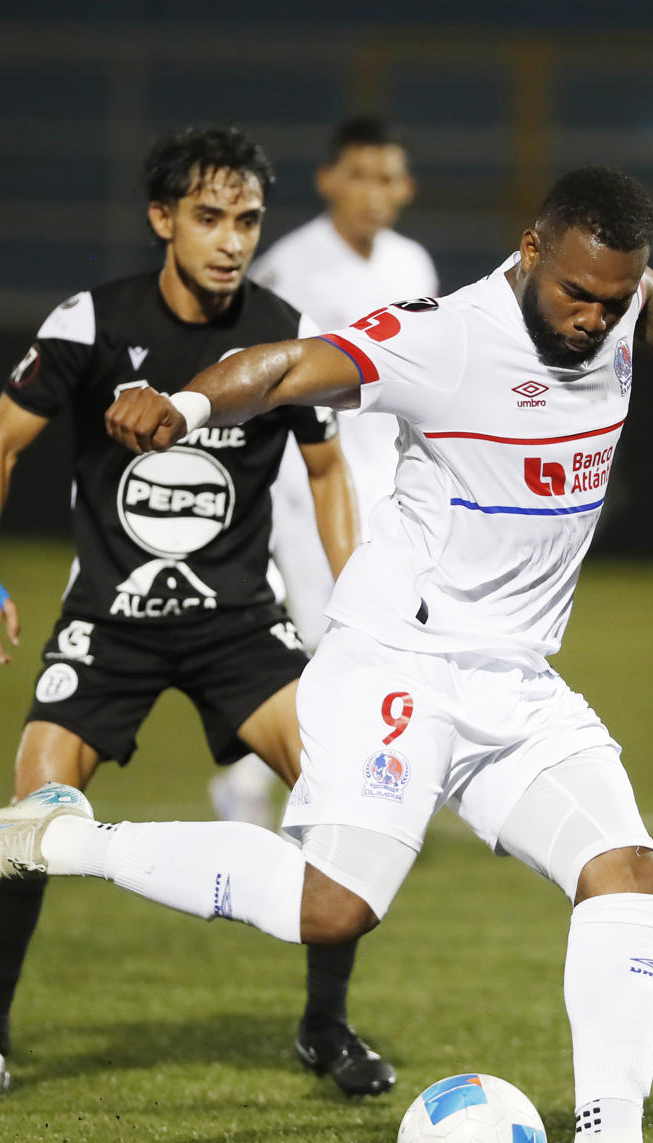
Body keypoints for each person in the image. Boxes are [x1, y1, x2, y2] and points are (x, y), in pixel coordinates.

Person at [0, 166, 653, 1143]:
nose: (595, 319)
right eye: (577, 295)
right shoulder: (447, 337)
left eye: (613, 298)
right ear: (531, 251)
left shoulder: (623, 299)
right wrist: (187, 403)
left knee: (628, 877)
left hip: (514, 677)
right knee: (334, 907)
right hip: (400, 659)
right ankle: (63, 837)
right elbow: (286, 366)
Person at [0, 124, 395, 1106]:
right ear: (163, 219)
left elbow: (328, 471)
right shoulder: (91, 322)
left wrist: (355, 600)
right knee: (30, 817)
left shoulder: (282, 331)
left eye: (247, 220)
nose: (232, 240)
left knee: (341, 801)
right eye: (209, 217)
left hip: (239, 624)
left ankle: (324, 1026)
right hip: (110, 622)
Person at [210, 116, 439, 829]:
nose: (373, 192)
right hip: (306, 478)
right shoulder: (290, 268)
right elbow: (246, 372)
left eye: (387, 178)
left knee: (368, 636)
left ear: (406, 188)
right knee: (334, 634)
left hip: (389, 485)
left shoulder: (413, 266)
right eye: (359, 175)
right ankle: (298, 791)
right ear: (328, 181)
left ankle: (259, 782)